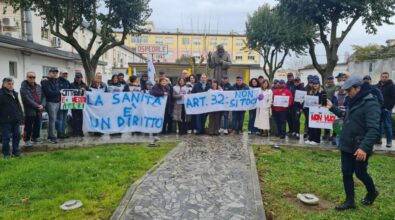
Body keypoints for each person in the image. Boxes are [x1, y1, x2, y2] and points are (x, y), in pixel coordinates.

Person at [327, 76, 380, 211]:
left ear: (358, 88)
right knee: (346, 172)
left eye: (349, 90)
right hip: (347, 144)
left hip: (359, 147)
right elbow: (347, 117)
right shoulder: (353, 100)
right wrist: (332, 107)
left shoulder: (370, 103)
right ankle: (350, 201)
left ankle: (372, 192)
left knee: (360, 173)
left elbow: (374, 129)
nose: (347, 93)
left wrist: (364, 147)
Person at [20, 72, 45, 146]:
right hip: (30, 109)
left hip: (39, 109)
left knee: (37, 124)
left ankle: (35, 138)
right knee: (29, 126)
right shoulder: (23, 87)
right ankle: (27, 140)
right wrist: (38, 106)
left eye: (34, 77)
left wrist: (42, 105)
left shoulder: (38, 86)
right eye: (30, 77)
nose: (32, 79)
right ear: (27, 77)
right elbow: (27, 99)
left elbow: (44, 97)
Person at [0, 78, 23, 159]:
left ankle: (16, 152)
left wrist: (21, 117)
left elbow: (19, 106)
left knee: (17, 136)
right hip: (5, 121)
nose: (11, 85)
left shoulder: (14, 93)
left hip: (16, 120)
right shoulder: (1, 94)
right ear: (4, 84)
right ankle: (6, 154)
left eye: (12, 84)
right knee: (6, 138)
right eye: (9, 84)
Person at [376, 72, 395, 148]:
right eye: (383, 77)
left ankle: (389, 142)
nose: (384, 78)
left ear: (388, 77)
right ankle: (378, 140)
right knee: (378, 125)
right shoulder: (377, 86)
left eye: (386, 77)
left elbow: (393, 98)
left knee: (387, 125)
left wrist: (388, 108)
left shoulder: (392, 86)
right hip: (378, 109)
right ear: (380, 77)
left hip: (387, 109)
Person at [42, 67, 61, 144]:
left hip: (57, 102)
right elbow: (48, 93)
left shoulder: (56, 81)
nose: (55, 74)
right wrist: (58, 92)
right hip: (50, 102)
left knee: (54, 119)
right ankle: (51, 137)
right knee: (52, 120)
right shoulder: (46, 81)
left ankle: (51, 135)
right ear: (49, 73)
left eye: (56, 72)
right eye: (53, 72)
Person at [305, 78, 326, 145]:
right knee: (310, 124)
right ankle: (311, 138)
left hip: (318, 110)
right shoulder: (311, 91)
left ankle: (316, 140)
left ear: (319, 84)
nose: (315, 85)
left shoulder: (322, 91)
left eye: (316, 84)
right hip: (311, 110)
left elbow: (325, 102)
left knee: (316, 125)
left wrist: (321, 104)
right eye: (313, 84)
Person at [71, 72, 87, 137]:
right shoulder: (71, 84)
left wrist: (85, 90)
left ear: (81, 78)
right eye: (76, 77)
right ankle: (75, 131)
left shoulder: (84, 85)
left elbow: (89, 91)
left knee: (80, 118)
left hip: (81, 104)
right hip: (74, 103)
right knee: (74, 118)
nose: (77, 79)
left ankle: (80, 131)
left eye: (79, 77)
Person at [57, 71, 72, 139]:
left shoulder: (67, 82)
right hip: (59, 102)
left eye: (66, 74)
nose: (65, 75)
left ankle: (63, 132)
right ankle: (59, 133)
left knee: (64, 118)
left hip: (66, 103)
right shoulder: (57, 81)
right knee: (60, 118)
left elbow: (72, 90)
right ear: (60, 74)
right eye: (64, 74)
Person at [323, 76, 336, 141]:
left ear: (333, 80)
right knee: (326, 120)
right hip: (326, 105)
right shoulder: (325, 87)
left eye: (331, 80)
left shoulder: (335, 87)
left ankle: (334, 135)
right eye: (328, 80)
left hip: (333, 105)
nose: (329, 81)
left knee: (334, 120)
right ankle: (326, 134)